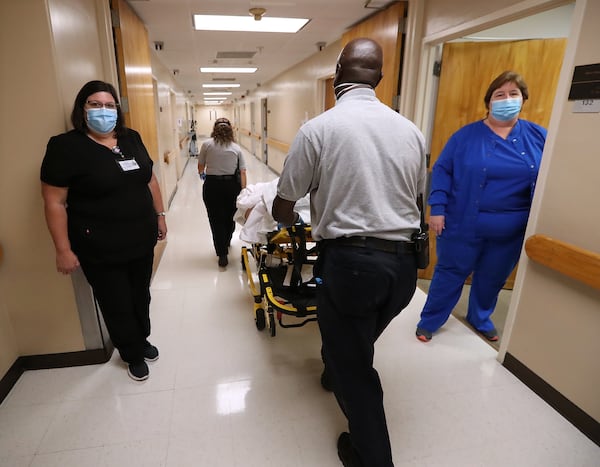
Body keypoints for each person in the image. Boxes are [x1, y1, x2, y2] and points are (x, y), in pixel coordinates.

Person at [273, 38, 427, 467]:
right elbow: (418, 200)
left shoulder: (319, 129)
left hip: (352, 266)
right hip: (402, 271)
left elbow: (285, 202)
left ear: (338, 72)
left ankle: (371, 456)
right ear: (379, 78)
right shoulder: (411, 131)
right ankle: (333, 366)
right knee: (353, 341)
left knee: (357, 368)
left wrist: (288, 215)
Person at [40, 80, 167, 382]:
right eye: (94, 105)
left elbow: (150, 180)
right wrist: (63, 249)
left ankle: (141, 338)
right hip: (99, 244)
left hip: (140, 236)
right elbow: (54, 201)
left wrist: (160, 216)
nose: (103, 111)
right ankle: (131, 352)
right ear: (81, 109)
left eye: (109, 105)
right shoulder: (65, 147)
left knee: (140, 294)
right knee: (116, 299)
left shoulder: (131, 138)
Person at [415, 71, 547, 343]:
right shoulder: (465, 136)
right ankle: (430, 320)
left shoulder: (538, 136)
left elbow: (552, 176)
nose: (507, 100)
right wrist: (436, 208)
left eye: (514, 94)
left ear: (524, 99)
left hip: (511, 229)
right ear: (489, 102)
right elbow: (442, 171)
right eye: (500, 95)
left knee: (492, 279)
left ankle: (480, 317)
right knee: (450, 274)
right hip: (463, 223)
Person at [197, 118, 246, 267]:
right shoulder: (237, 148)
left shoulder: (206, 145)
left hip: (212, 186)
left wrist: (203, 175)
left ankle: (222, 254)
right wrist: (244, 191)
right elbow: (243, 172)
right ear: (231, 130)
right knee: (230, 216)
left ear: (214, 129)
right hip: (232, 186)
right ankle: (227, 239)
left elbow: (200, 166)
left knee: (215, 218)